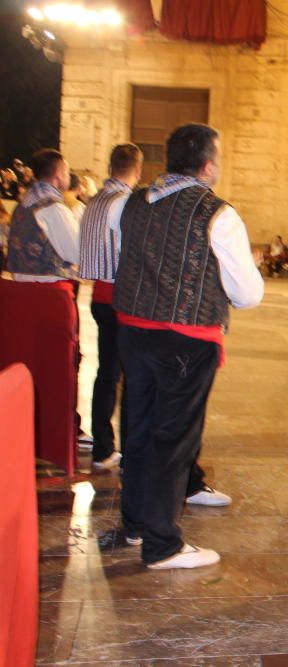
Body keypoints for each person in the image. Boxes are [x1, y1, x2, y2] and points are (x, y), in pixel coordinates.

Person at [113, 124, 264, 569]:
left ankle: (137, 524)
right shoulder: (217, 213)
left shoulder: (134, 202)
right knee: (174, 439)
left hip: (134, 330)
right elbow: (248, 294)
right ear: (209, 165)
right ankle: (163, 544)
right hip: (186, 339)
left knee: (138, 429)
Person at [78, 143, 143, 471]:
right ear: (138, 169)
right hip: (123, 299)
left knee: (107, 372)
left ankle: (103, 446)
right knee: (131, 375)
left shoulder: (94, 201)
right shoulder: (126, 203)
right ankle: (127, 449)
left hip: (99, 298)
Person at [7, 148, 79, 284]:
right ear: (58, 174)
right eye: (67, 172)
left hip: (19, 290)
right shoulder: (54, 208)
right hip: (48, 292)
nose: (69, 176)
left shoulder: (21, 206)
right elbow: (77, 252)